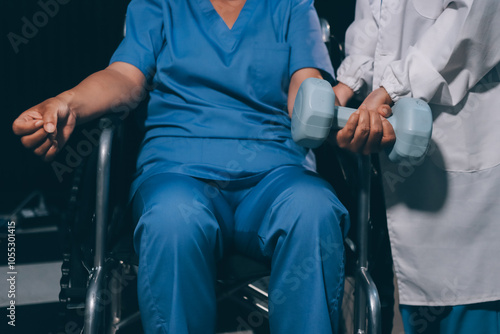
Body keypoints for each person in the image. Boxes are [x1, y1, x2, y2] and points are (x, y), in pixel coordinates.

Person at [12, 0, 358, 333]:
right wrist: (67, 103)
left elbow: (306, 95)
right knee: (171, 219)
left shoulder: (292, 6)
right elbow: (124, 76)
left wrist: (349, 118)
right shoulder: (160, 4)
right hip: (180, 171)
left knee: (314, 209)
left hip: (276, 173)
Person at [333, 0, 500, 333]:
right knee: (421, 306)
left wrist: (392, 88)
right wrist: (349, 82)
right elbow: (375, 15)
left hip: (461, 134)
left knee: (469, 302)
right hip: (392, 143)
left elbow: (474, 16)